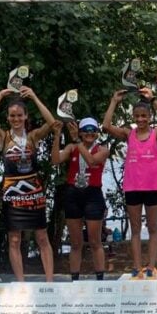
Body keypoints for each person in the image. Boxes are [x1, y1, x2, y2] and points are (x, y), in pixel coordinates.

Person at [0, 86, 57, 282]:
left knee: (42, 237)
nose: (16, 119)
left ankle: (49, 282)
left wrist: (34, 96)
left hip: (33, 192)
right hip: (12, 193)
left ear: (25, 117)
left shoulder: (33, 136)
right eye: (12, 116)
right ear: (8, 118)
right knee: (14, 240)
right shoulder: (3, 137)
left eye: (19, 115)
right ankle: (21, 283)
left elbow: (52, 122)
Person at [103, 87, 157, 279]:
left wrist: (154, 99)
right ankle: (136, 267)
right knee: (134, 229)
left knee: (152, 228)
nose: (140, 119)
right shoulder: (128, 134)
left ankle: (151, 266)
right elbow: (106, 125)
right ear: (133, 117)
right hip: (133, 187)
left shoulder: (156, 134)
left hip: (151, 187)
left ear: (149, 116)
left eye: (144, 116)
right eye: (137, 116)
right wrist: (114, 102)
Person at [52, 118, 110, 281]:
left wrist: (78, 141)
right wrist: (57, 136)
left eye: (93, 130)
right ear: (80, 132)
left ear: (97, 133)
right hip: (73, 194)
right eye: (85, 130)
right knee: (76, 243)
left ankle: (100, 279)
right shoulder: (72, 147)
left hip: (93, 194)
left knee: (95, 241)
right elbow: (55, 160)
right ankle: (75, 280)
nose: (89, 133)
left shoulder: (103, 149)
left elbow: (92, 161)